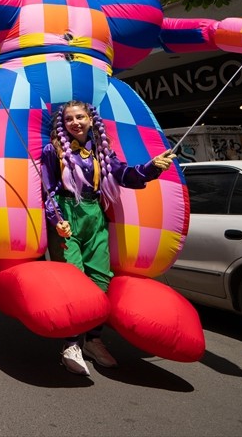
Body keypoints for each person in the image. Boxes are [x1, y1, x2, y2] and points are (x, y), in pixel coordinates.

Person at [41, 100, 176, 376]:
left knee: (100, 281)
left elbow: (124, 175)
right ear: (62, 124)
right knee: (74, 282)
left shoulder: (102, 152)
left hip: (95, 216)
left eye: (80, 117)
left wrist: (152, 168)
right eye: (69, 119)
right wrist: (57, 220)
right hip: (67, 214)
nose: (75, 122)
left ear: (91, 120)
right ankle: (71, 344)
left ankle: (93, 340)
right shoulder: (52, 150)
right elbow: (48, 189)